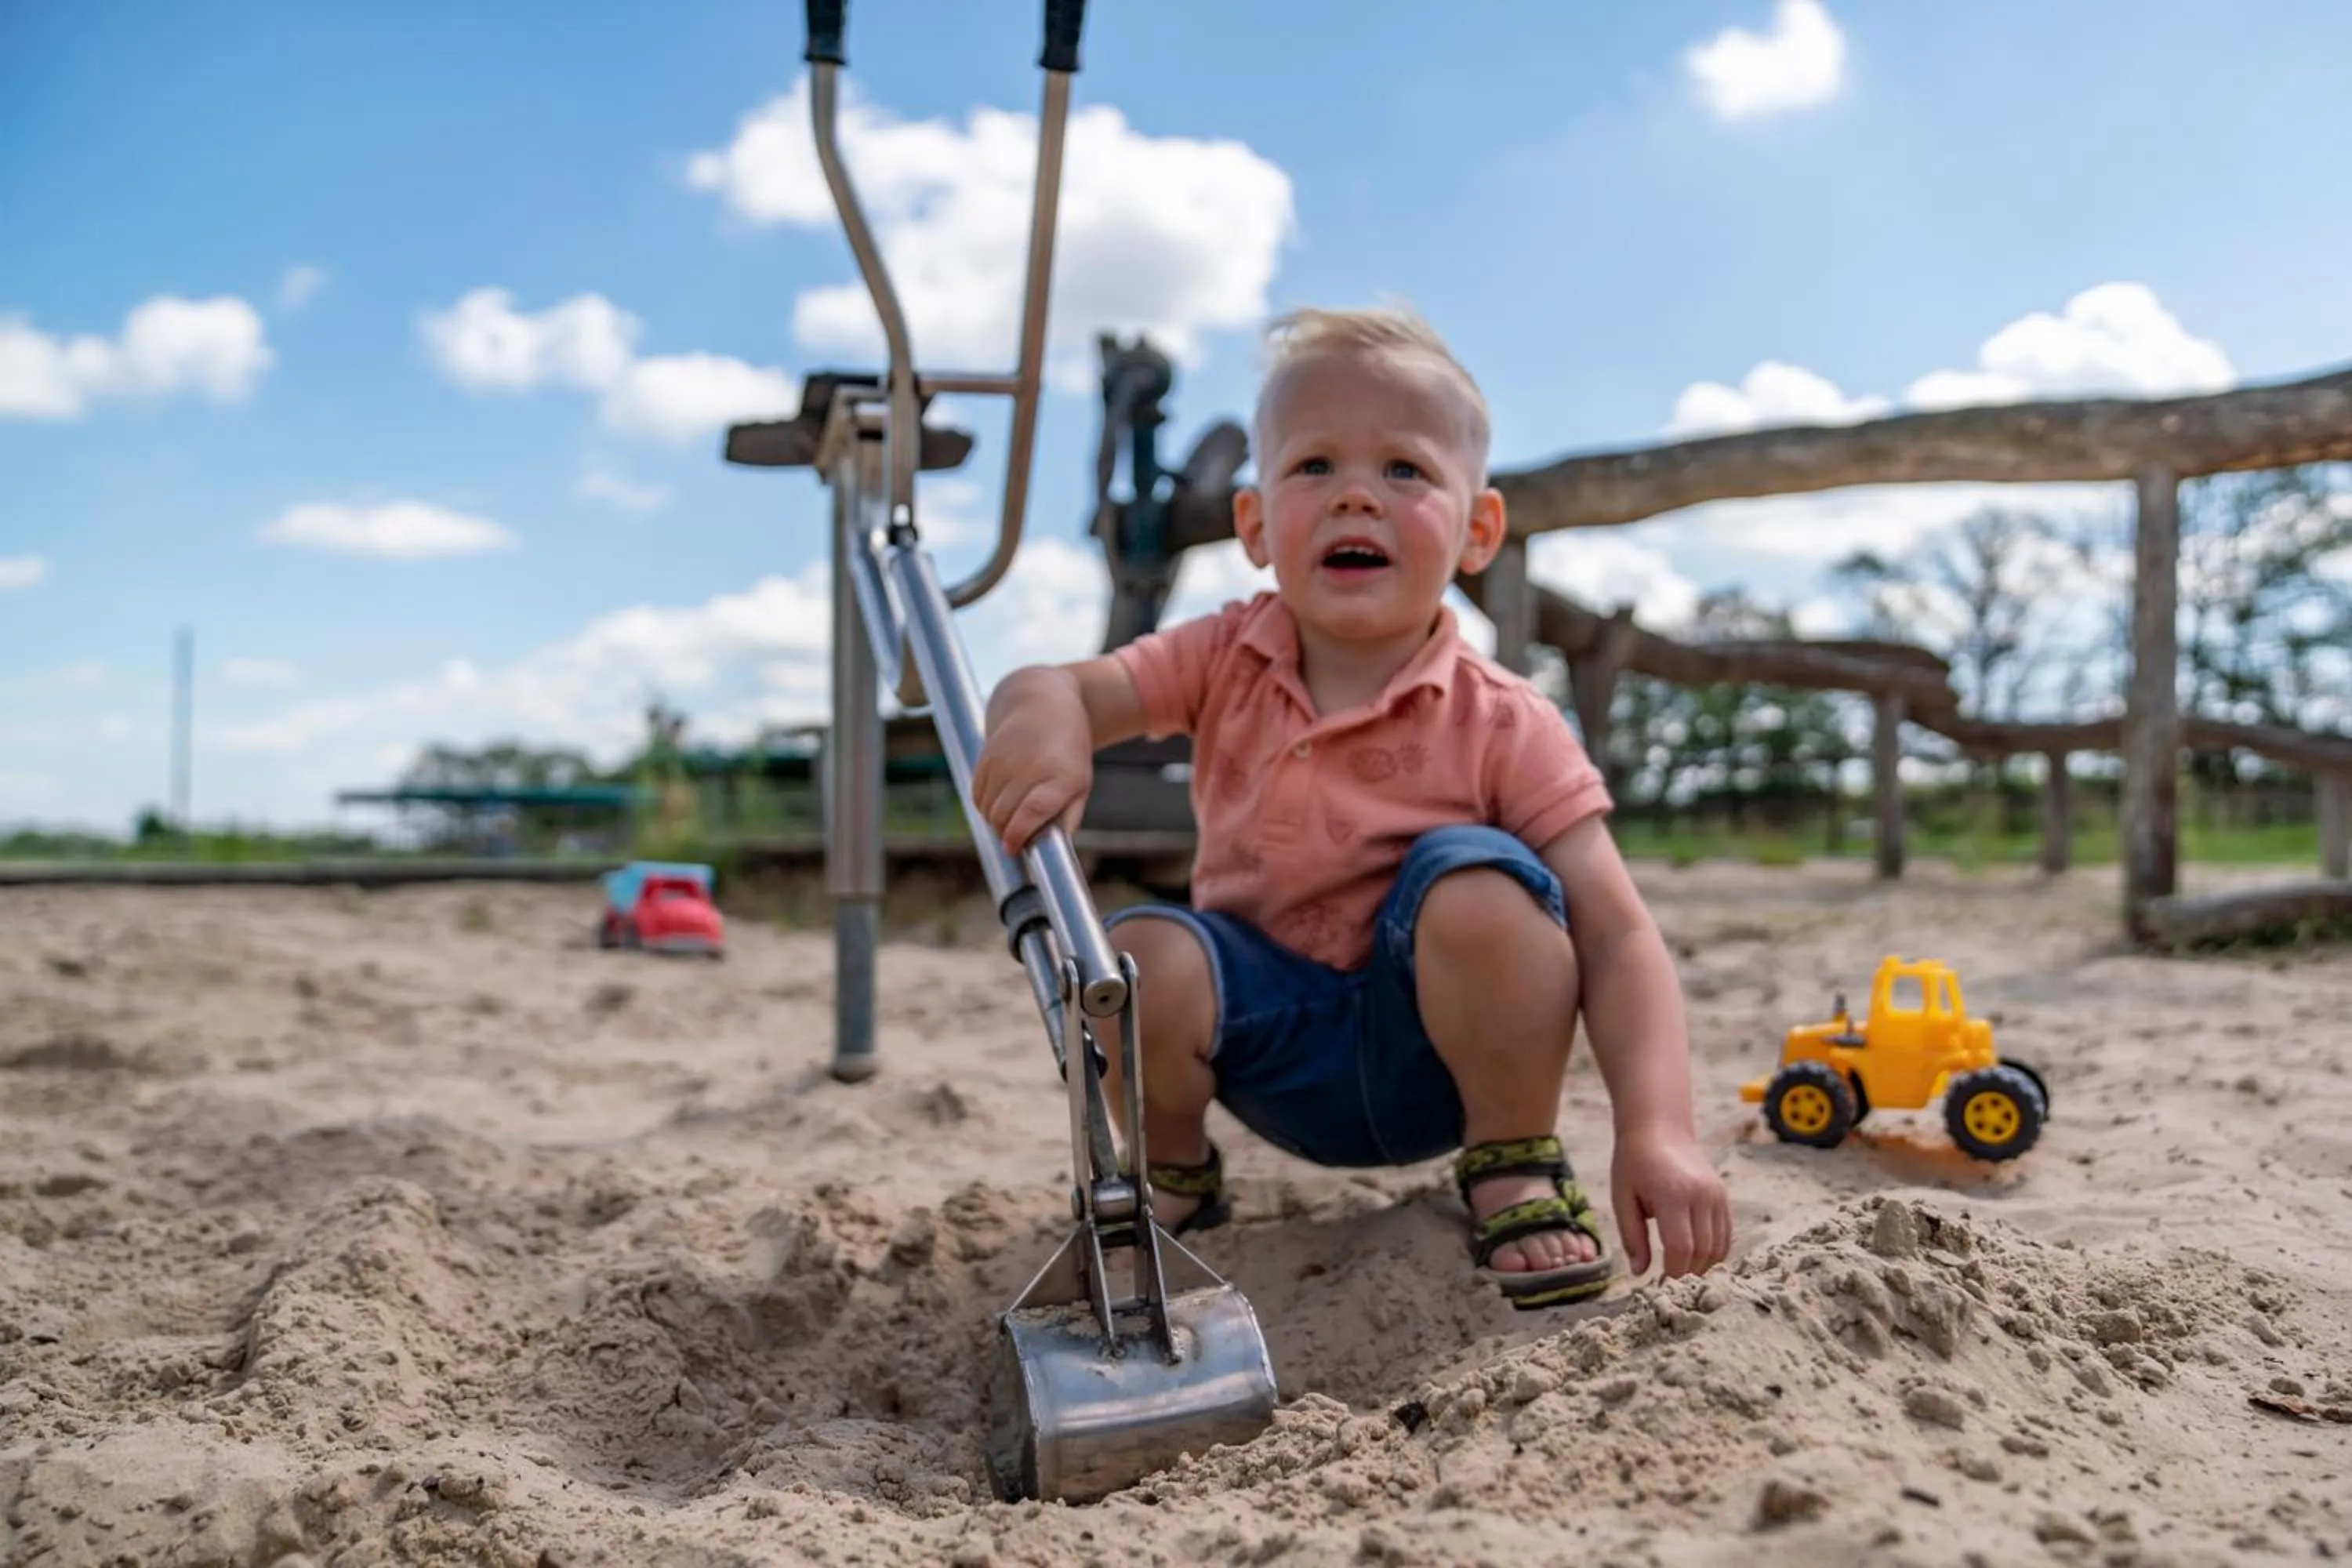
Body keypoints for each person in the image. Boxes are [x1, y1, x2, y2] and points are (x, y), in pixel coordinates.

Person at [971, 305, 1730, 1308]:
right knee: (1136, 955)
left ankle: (1514, 1158)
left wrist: (1658, 1127)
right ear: (1254, 525)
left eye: (1405, 471)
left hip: (1445, 1063)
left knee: (1477, 882)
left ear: (1479, 531)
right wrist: (1044, 714)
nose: (1357, 498)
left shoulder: (1506, 718)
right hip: (1267, 1047)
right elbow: (1060, 684)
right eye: (1315, 466)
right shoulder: (1223, 654)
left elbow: (1619, 930)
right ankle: (1169, 1171)